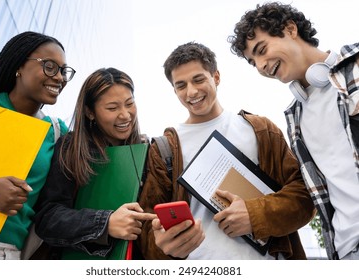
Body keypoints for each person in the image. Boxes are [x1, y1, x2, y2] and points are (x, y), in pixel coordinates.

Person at [137, 42, 314, 260]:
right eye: (181, 85)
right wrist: (162, 244)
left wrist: (255, 215)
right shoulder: (164, 149)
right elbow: (148, 224)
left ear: (216, 77)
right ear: (174, 90)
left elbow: (305, 194)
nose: (191, 92)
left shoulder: (260, 130)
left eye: (199, 79)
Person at [228, 2, 359, 260]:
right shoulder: (295, 117)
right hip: (345, 252)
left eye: (262, 50)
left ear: (290, 29)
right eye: (253, 62)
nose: (262, 66)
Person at [0, 31, 73, 259]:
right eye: (49, 66)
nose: (59, 78)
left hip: (4, 255)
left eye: (63, 71)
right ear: (19, 66)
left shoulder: (58, 132)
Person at [33, 67, 156, 259]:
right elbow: (48, 218)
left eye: (129, 103)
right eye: (112, 108)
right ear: (90, 112)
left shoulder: (149, 152)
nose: (125, 115)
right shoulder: (71, 148)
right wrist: (106, 223)